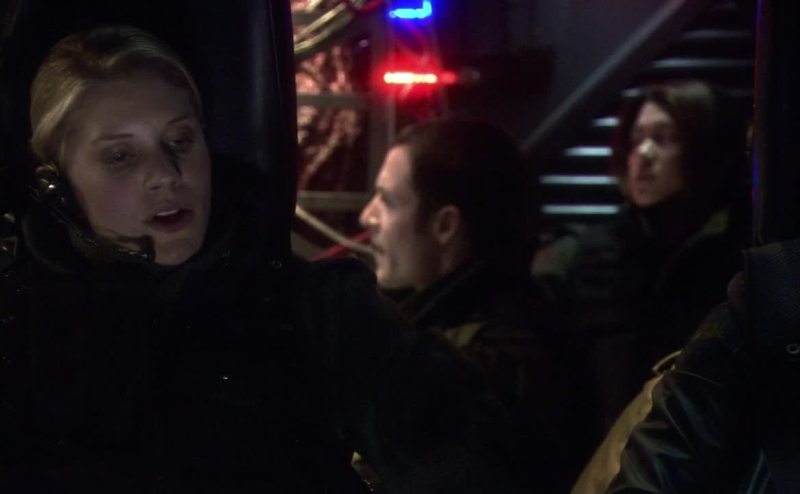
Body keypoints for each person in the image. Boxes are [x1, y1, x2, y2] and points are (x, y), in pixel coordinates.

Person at [0, 25, 527, 493]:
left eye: (180, 140)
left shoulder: (314, 309)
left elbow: (472, 456)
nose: (165, 174)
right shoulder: (19, 327)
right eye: (120, 155)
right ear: (57, 184)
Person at [358, 118, 579, 491]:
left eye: (388, 201)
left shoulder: (482, 363)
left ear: (445, 226)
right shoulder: (498, 323)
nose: (368, 217)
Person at [533, 80, 750, 447]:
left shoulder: (744, 255)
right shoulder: (589, 255)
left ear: (708, 151)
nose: (643, 154)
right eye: (635, 140)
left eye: (664, 139)